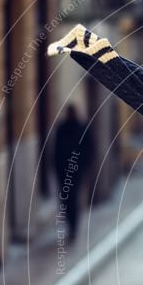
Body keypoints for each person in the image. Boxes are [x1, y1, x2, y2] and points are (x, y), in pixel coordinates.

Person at [52, 103, 94, 242]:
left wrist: (83, 167)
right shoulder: (61, 128)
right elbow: (56, 152)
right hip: (63, 172)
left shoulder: (82, 128)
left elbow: (89, 149)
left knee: (73, 199)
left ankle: (74, 227)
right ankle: (71, 225)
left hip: (76, 172)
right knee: (65, 200)